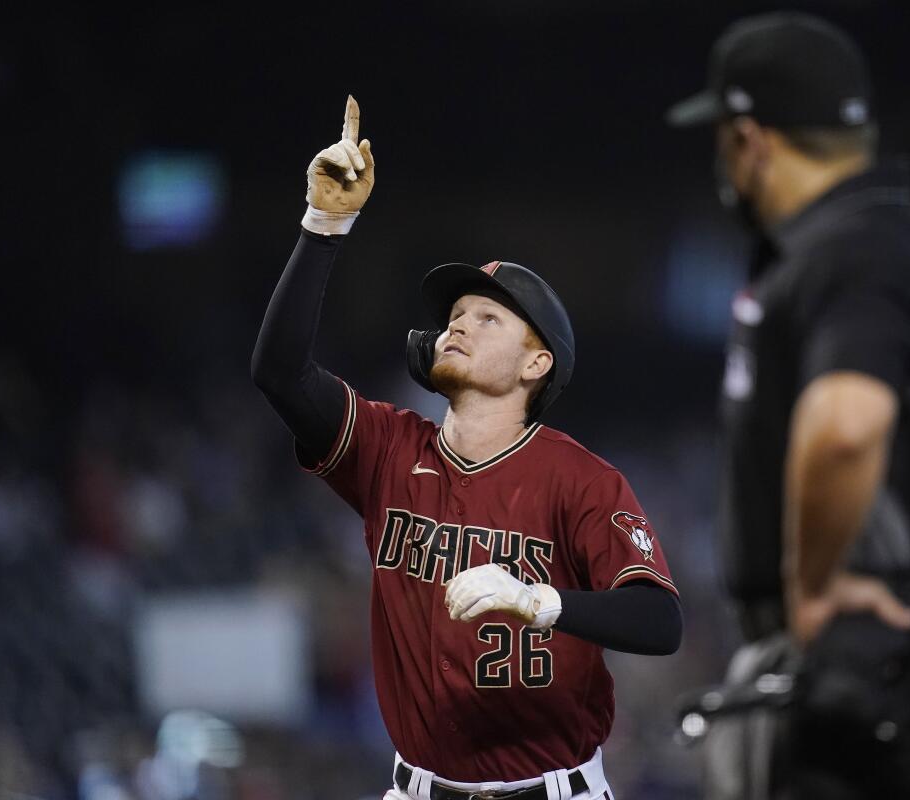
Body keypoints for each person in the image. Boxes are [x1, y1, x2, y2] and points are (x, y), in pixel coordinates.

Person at [251, 96, 681, 800]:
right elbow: (278, 372)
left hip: (552, 788)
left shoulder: (579, 479)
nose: (460, 325)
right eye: (455, 315)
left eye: (487, 317)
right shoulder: (389, 448)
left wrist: (541, 602)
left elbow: (660, 621)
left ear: (536, 364)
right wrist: (324, 225)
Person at [667, 12, 910, 800]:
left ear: (750, 138)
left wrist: (813, 586)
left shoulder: (855, 246)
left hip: (863, 678)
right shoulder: (867, 239)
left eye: (723, 135)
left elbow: (846, 427)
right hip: (872, 676)